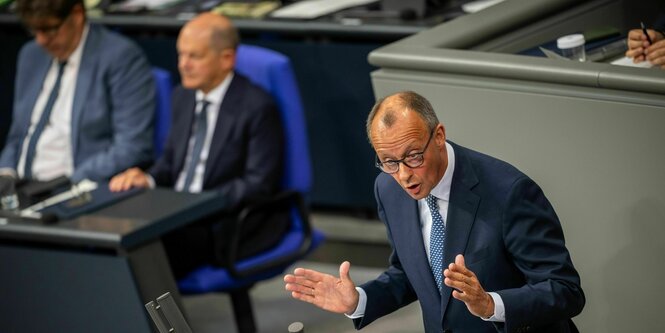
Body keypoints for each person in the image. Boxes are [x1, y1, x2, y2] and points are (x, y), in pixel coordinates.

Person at [284, 91, 585, 332]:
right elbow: (410, 273)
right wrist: (359, 300)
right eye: (388, 162)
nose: (403, 175)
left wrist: (491, 305)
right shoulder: (388, 190)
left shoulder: (509, 192)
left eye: (413, 157)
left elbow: (564, 290)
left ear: (438, 136)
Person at [109, 13, 285, 278]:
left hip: (221, 221)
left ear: (226, 58)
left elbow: (257, 184)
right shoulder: (182, 96)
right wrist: (147, 179)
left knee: (143, 254)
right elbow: (170, 163)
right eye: (180, 55)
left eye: (195, 57)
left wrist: (198, 204)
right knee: (112, 232)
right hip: (176, 211)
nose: (183, 65)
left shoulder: (257, 106)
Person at [0, 0, 154, 185]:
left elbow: (132, 147)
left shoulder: (119, 57)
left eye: (50, 29)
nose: (41, 40)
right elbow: (18, 134)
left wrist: (69, 182)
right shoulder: (31, 55)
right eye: (34, 30)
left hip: (75, 186)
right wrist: (5, 173)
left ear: (77, 14)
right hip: (20, 186)